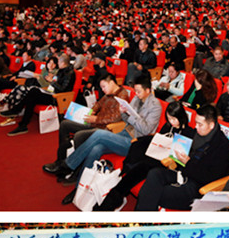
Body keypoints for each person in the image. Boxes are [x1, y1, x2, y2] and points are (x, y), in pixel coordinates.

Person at [59, 73, 162, 203]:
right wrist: (123, 112)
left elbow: (146, 130)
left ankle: (68, 164)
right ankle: (78, 188)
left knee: (99, 134)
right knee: (96, 148)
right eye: (135, 91)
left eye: (139, 91)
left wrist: (131, 116)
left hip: (136, 142)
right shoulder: (137, 99)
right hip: (125, 132)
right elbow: (126, 120)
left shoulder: (155, 106)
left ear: (148, 90)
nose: (136, 94)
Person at [135, 104, 229, 210]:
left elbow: (209, 177)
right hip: (184, 173)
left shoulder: (222, 147)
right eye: (196, 123)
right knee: (154, 174)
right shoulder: (196, 134)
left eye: (200, 124)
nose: (196, 127)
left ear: (211, 125)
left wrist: (188, 163)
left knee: (154, 192)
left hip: (198, 187)